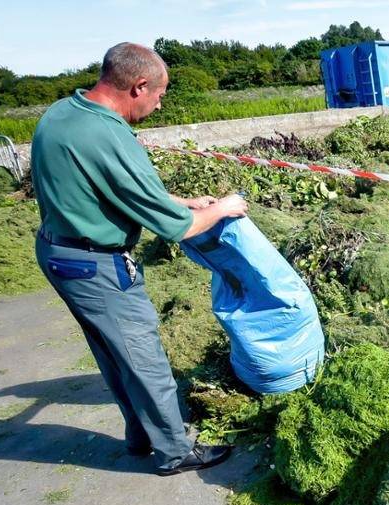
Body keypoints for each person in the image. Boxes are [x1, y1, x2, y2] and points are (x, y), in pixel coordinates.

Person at [30, 42, 247, 476]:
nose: (160, 104)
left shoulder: (63, 113)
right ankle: (174, 451)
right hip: (95, 263)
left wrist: (182, 200)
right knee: (142, 356)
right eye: (160, 94)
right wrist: (222, 208)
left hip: (59, 251)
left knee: (114, 354)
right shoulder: (108, 134)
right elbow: (178, 229)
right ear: (139, 86)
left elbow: (112, 187)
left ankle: (141, 434)